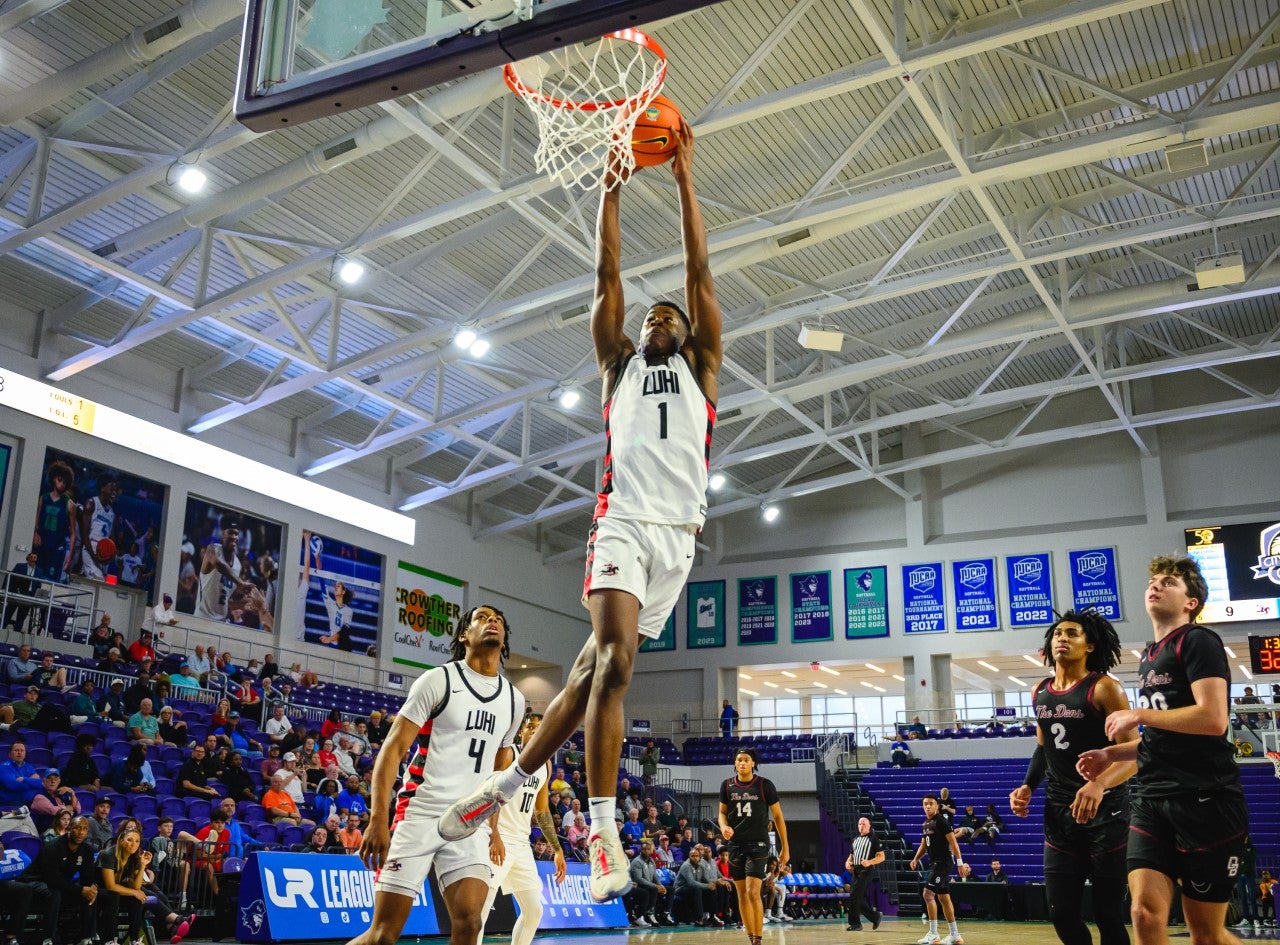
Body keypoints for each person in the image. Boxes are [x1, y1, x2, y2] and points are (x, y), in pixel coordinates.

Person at [440, 125, 723, 904]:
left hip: (678, 541)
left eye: (669, 314)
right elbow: (608, 271)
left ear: (692, 334)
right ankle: (603, 832)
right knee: (617, 660)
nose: (656, 317)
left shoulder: (702, 369)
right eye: (648, 316)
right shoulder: (617, 367)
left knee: (592, 672)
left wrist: (686, 178)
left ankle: (506, 786)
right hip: (623, 522)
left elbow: (700, 267)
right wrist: (614, 183)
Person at [1077, 556, 1249, 945]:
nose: (1155, 585)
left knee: (1206, 934)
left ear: (1191, 602)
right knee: (1142, 913)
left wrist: (1139, 714)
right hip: (1153, 799)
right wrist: (1112, 755)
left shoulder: (1198, 640)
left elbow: (1212, 719)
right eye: (1152, 580)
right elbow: (1162, 739)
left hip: (1206, 801)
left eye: (1168, 582)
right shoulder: (1149, 656)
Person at [341, 605, 524, 945]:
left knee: (470, 923)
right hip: (419, 812)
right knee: (382, 935)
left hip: (470, 820)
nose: (493, 621)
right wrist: (378, 818)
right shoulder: (439, 680)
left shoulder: (514, 701)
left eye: (498, 618)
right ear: (463, 635)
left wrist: (494, 829)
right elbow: (393, 749)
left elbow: (499, 773)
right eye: (482, 617)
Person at [1008, 608, 1137, 945]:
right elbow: (1042, 750)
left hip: (1106, 812)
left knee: (1109, 915)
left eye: (1072, 633)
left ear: (1090, 646)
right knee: (1061, 913)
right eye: (1057, 633)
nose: (1062, 637)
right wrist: (1027, 785)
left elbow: (1137, 753)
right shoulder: (1040, 691)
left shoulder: (1105, 688)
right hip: (1060, 812)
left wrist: (1099, 784)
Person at [479, 713, 566, 945]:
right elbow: (492, 793)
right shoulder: (509, 754)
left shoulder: (546, 764)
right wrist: (493, 833)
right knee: (481, 907)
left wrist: (557, 849)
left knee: (534, 910)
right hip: (498, 836)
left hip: (521, 843)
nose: (535, 730)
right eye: (530, 726)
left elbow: (542, 810)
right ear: (521, 731)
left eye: (540, 727)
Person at [719, 748, 789, 945]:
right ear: (735, 763)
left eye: (746, 759)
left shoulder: (764, 785)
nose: (742, 762)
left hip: (758, 844)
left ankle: (758, 939)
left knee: (752, 891)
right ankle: (751, 937)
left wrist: (786, 847)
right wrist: (724, 827)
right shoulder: (726, 786)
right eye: (739, 759)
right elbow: (722, 813)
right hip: (735, 845)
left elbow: (778, 817)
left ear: (753, 763)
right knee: (741, 894)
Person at [96, 827, 192, 945]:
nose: (133, 844)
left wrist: (142, 865)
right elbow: (110, 886)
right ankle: (110, 940)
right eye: (129, 840)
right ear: (121, 840)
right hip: (99, 892)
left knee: (139, 898)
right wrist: (134, 892)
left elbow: (136, 887)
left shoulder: (134, 857)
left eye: (137, 841)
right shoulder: (108, 854)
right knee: (120, 895)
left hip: (117, 892)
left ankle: (134, 939)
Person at [910, 793, 970, 945]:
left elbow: (953, 842)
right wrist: (916, 858)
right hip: (934, 863)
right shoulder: (925, 824)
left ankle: (933, 934)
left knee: (928, 894)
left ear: (937, 805)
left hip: (943, 863)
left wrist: (960, 862)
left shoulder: (941, 822)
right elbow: (924, 845)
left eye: (931, 803)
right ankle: (955, 935)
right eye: (925, 804)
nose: (927, 806)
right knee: (943, 898)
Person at [37, 815, 98, 945]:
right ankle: (47, 938)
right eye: (77, 828)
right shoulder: (53, 847)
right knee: (55, 893)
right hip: (38, 881)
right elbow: (52, 879)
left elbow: (87, 877)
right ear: (69, 828)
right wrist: (81, 889)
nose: (81, 832)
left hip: (62, 884)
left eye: (84, 829)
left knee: (90, 894)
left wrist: (91, 888)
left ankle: (87, 938)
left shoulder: (86, 849)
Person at [32, 458, 77, 582]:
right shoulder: (44, 498)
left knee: (50, 583)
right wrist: (35, 533)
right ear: (53, 479)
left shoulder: (70, 504)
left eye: (64, 482)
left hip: (58, 548)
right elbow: (36, 521)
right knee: (36, 579)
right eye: (59, 480)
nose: (61, 484)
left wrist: (70, 555)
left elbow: (73, 532)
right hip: (41, 546)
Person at [845, 816, 885, 932]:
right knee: (856, 898)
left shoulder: (874, 839)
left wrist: (869, 862)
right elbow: (851, 856)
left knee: (854, 896)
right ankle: (875, 916)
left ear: (869, 826)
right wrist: (848, 862)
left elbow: (881, 857)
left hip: (866, 870)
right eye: (859, 824)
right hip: (856, 870)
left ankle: (855, 924)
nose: (861, 826)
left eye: (863, 824)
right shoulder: (855, 839)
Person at [77, 475, 118, 580]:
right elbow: (84, 536)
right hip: (91, 548)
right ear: (102, 488)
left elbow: (112, 540)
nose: (114, 493)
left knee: (91, 584)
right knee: (98, 581)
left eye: (116, 491)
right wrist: (94, 556)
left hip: (104, 552)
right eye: (112, 489)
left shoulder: (112, 514)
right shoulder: (92, 503)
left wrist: (111, 556)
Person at [4, 552, 42, 632]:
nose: (33, 559)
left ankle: (16, 633)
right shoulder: (20, 566)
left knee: (21, 617)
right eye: (31, 557)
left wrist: (37, 597)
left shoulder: (39, 571)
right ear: (28, 558)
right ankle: (1, 628)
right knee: (8, 613)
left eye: (35, 557)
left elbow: (38, 585)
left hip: (29, 595)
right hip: (17, 593)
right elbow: (12, 579)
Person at [0, 741, 42, 807]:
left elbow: (40, 784)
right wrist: (32, 781)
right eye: (16, 750)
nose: (19, 752)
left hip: (29, 804)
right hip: (10, 804)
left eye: (22, 750)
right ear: (10, 754)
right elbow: (13, 785)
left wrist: (24, 779)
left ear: (25, 753)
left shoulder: (29, 766)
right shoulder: (4, 767)